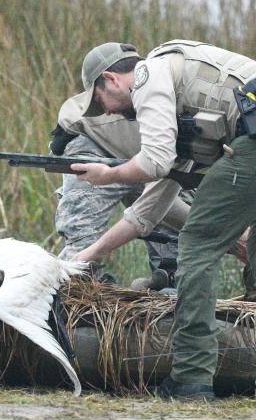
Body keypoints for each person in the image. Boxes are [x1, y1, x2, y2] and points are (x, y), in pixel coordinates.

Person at [71, 40, 256, 402]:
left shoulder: (148, 74)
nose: (110, 113)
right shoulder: (189, 95)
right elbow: (150, 207)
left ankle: (191, 379)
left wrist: (109, 173)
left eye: (101, 103)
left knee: (197, 244)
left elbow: (155, 162)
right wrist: (92, 254)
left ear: (111, 79)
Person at [51, 87, 188, 282]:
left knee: (178, 247)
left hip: (154, 151)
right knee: (82, 254)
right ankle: (76, 300)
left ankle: (168, 287)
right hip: (92, 146)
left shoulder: (176, 101)